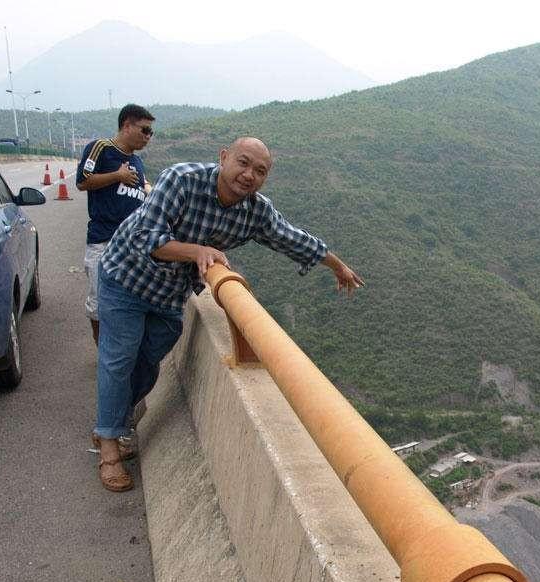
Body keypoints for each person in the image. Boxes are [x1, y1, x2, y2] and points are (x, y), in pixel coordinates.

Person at [93, 137, 364, 491]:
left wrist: (336, 265)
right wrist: (199, 251)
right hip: (126, 277)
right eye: (243, 162)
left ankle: (114, 419)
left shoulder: (255, 211)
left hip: (169, 295)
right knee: (120, 358)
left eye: (260, 171)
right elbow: (149, 239)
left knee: (146, 363)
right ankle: (110, 448)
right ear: (223, 157)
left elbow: (291, 238)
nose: (248, 175)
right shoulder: (182, 180)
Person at [76, 104, 155, 345]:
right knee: (99, 303)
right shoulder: (101, 149)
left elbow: (139, 190)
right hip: (104, 239)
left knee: (129, 302)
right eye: (144, 130)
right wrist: (116, 176)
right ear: (126, 125)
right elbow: (82, 181)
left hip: (132, 245)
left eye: (151, 133)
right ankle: (103, 352)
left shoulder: (137, 162)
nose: (148, 137)